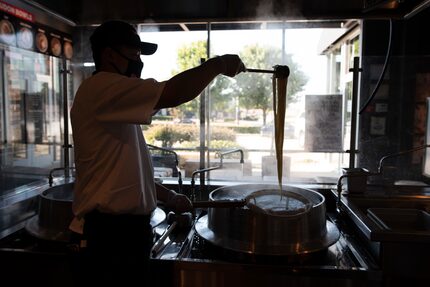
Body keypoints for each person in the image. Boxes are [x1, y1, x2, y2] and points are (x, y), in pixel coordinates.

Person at [69, 20, 245, 285]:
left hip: (124, 234)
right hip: (109, 236)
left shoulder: (117, 106)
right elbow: (173, 92)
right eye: (133, 55)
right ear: (108, 55)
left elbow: (123, 176)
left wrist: (169, 195)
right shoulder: (101, 88)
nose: (138, 63)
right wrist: (217, 65)